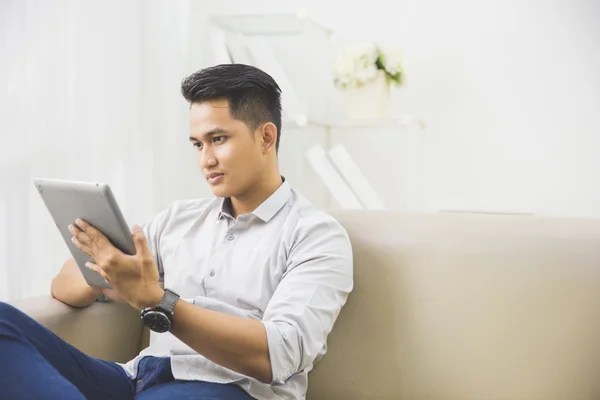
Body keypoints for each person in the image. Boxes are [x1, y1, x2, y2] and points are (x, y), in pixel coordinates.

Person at [0, 64, 354, 399]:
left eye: (218, 139)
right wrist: (106, 268)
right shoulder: (179, 219)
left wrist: (156, 300)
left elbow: (279, 354)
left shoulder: (315, 235)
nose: (205, 159)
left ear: (265, 137)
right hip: (135, 379)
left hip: (229, 389)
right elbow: (62, 288)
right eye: (198, 144)